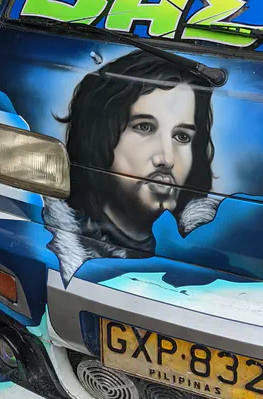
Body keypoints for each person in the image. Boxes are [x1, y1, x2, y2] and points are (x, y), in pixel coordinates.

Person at [45, 49, 219, 282]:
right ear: (100, 136)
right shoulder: (49, 241)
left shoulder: (218, 242)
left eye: (182, 137)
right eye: (145, 127)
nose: (166, 159)